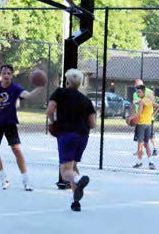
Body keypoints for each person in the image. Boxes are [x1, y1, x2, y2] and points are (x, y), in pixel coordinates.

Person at [0, 64, 46, 191]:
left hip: (10, 123)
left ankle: (26, 181)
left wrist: (40, 87)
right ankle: (3, 177)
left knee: (17, 150)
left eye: (9, 73)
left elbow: (29, 96)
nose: (6, 75)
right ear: (1, 74)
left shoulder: (15, 88)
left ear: (11, 75)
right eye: (4, 72)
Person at [46, 68, 96, 212]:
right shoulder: (86, 100)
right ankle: (76, 202)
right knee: (72, 167)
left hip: (67, 134)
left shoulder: (60, 92)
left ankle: (79, 180)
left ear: (66, 81)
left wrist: (52, 122)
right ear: (79, 84)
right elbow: (92, 124)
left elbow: (50, 111)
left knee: (65, 171)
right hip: (82, 136)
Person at [128, 85, 159, 170]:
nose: (137, 93)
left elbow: (138, 113)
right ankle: (151, 163)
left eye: (139, 92)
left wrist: (129, 118)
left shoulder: (142, 101)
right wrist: (152, 115)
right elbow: (158, 106)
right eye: (137, 92)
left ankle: (139, 162)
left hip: (141, 125)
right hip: (148, 125)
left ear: (143, 92)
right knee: (147, 144)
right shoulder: (148, 100)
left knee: (140, 144)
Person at [132, 79, 158, 156]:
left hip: (147, 118)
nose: (136, 87)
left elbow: (152, 103)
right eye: (135, 86)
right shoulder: (135, 93)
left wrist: (152, 115)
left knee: (150, 135)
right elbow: (135, 105)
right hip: (139, 118)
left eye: (137, 85)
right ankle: (139, 151)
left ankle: (155, 149)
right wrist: (133, 115)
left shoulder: (149, 92)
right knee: (139, 137)